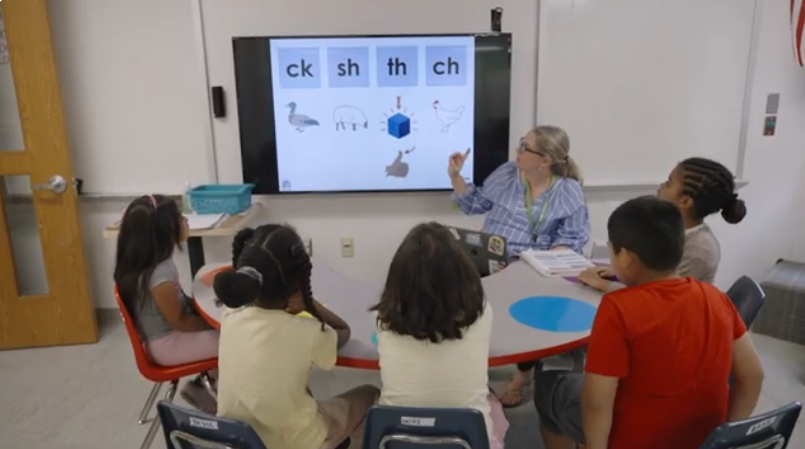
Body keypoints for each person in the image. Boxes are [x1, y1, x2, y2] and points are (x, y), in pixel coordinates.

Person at [533, 196, 764, 449]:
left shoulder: (619, 308)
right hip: (702, 437)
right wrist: (724, 437)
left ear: (625, 257)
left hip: (634, 438)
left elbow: (598, 401)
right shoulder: (717, 298)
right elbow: (753, 375)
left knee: (548, 387)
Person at [450, 125, 591, 407]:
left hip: (532, 270)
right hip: (488, 259)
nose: (517, 151)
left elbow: (572, 240)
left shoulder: (568, 192)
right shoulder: (507, 174)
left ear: (545, 161)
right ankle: (471, 372)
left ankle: (524, 375)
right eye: (520, 144)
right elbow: (474, 204)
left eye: (524, 147)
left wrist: (532, 262)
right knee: (465, 305)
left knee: (521, 325)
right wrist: (456, 176)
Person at [214, 224, 379, 449]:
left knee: (301, 393)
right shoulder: (306, 330)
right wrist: (311, 305)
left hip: (237, 440)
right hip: (292, 442)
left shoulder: (230, 317)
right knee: (370, 395)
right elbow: (344, 332)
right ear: (296, 283)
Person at [371, 222, 509, 449]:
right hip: (469, 438)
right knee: (492, 401)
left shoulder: (384, 317)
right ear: (462, 273)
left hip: (398, 438)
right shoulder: (482, 313)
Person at [113, 194, 218, 413]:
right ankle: (210, 392)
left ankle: (209, 383)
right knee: (238, 339)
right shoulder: (160, 275)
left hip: (167, 339)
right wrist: (216, 324)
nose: (186, 221)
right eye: (180, 218)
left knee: (228, 330)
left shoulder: (151, 263)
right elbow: (179, 322)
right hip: (167, 345)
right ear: (165, 232)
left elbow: (181, 304)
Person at [578, 157, 746, 291]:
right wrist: (619, 273)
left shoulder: (700, 249)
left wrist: (603, 285)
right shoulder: (665, 229)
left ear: (685, 202)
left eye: (668, 183)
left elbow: (659, 297)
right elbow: (651, 277)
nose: (661, 186)